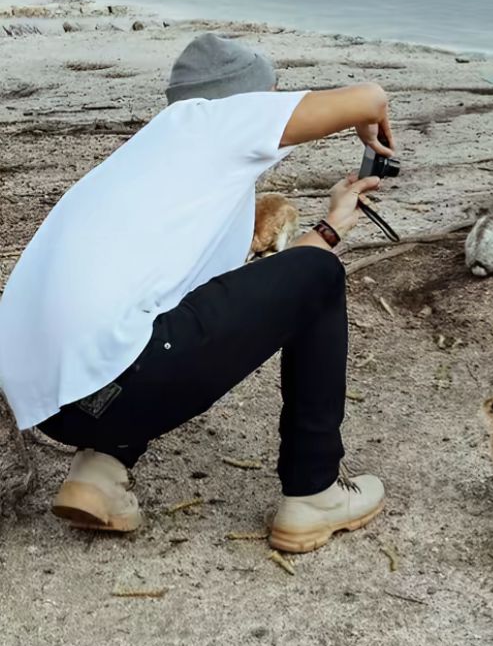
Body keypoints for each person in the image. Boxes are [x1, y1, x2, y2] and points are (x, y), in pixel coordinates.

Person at [0, 34, 395, 553]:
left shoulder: (161, 172)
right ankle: (314, 491)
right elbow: (371, 96)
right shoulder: (207, 120)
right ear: (247, 99)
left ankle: (99, 472)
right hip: (107, 385)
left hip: (51, 406)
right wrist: (368, 117)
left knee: (157, 319)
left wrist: (328, 228)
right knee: (320, 278)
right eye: (271, 95)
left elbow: (223, 313)